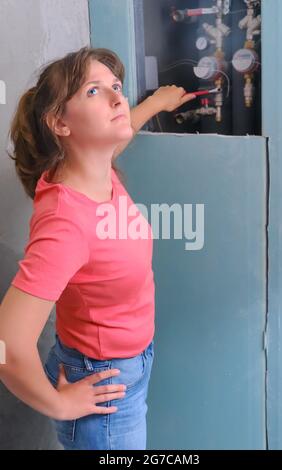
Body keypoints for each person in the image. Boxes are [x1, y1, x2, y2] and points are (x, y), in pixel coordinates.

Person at [0, 46, 196, 450]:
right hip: (104, 386)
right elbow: (7, 344)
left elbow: (113, 138)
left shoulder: (90, 168)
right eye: (93, 91)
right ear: (60, 123)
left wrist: (153, 104)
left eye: (116, 87)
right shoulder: (66, 223)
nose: (116, 98)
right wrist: (58, 405)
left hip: (128, 363)